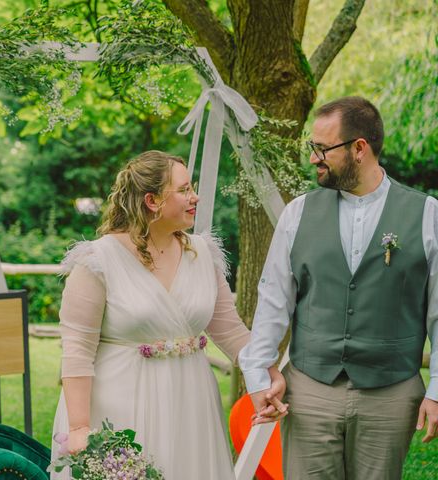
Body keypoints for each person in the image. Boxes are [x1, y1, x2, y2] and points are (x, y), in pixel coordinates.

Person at [49, 150, 284, 480]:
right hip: (121, 406)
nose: (195, 197)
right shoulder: (97, 262)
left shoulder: (203, 254)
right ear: (152, 200)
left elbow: (230, 331)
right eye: (185, 189)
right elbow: (76, 352)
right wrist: (79, 428)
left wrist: (265, 372)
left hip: (191, 405)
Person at [239, 96, 438, 479]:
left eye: (322, 148)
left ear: (359, 148)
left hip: (391, 392)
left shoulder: (427, 215)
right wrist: (259, 376)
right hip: (310, 389)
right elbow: (273, 300)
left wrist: (436, 392)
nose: (313, 157)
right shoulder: (298, 213)